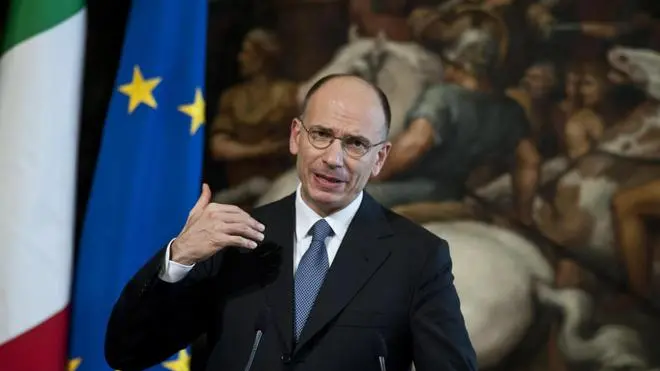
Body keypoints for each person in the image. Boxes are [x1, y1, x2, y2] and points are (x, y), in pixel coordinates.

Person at [104, 74, 477, 371]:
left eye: (356, 144)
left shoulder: (418, 257)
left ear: (379, 159)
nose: (334, 158)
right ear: (296, 136)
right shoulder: (235, 238)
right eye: (321, 135)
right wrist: (179, 256)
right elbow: (127, 353)